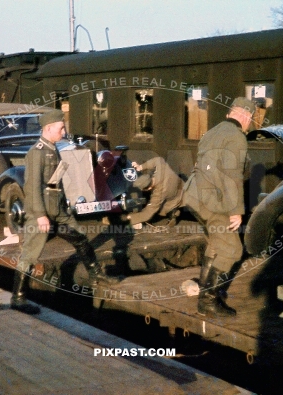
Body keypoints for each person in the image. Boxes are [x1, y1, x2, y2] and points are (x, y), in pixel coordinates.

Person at [12, 109, 113, 314]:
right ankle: (18, 298)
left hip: (58, 210)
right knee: (30, 254)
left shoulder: (53, 149)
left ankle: (96, 275)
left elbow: (55, 181)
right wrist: (40, 215)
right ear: (48, 128)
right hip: (42, 212)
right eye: (61, 127)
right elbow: (32, 187)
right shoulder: (36, 152)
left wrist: (65, 204)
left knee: (80, 237)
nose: (64, 130)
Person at [183, 97, 255, 318]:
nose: (249, 124)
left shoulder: (213, 131)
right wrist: (236, 211)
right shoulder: (237, 137)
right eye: (250, 120)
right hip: (212, 201)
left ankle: (206, 292)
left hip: (194, 195)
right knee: (232, 249)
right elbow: (232, 176)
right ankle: (208, 301)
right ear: (246, 116)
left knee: (216, 242)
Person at [125, 157, 184, 226]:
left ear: (149, 188)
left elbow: (148, 213)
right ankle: (174, 211)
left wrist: (130, 218)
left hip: (177, 198)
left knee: (160, 208)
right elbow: (158, 160)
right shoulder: (161, 170)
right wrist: (141, 167)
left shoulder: (158, 194)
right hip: (182, 186)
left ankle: (173, 212)